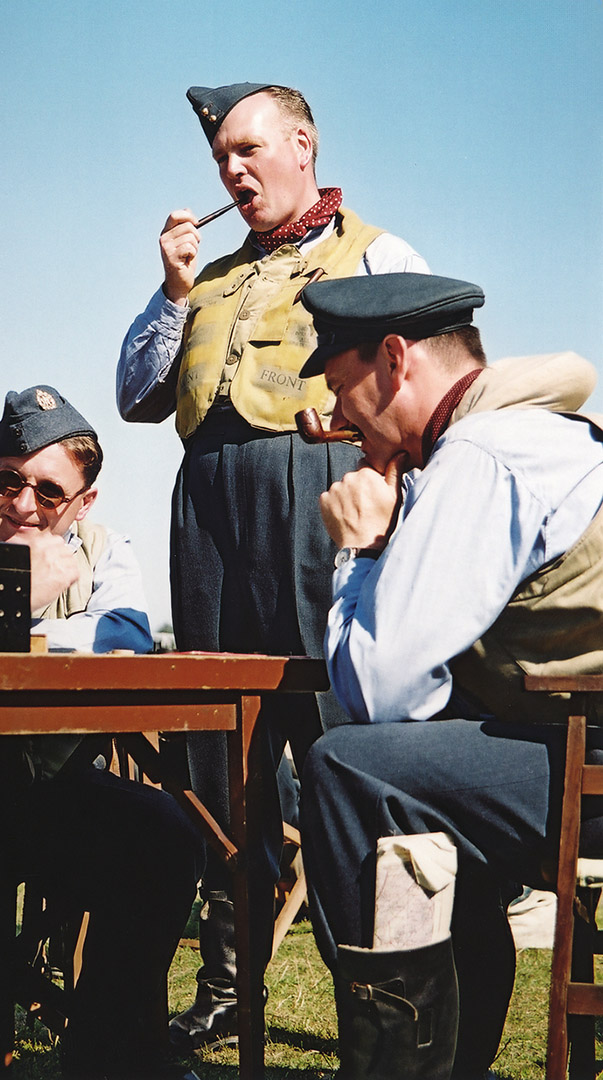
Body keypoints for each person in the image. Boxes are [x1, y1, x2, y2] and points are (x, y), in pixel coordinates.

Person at [116, 79, 430, 1052]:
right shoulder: (203, 279)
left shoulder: (379, 252)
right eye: (221, 160)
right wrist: (171, 293)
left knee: (335, 749)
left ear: (305, 144)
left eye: (249, 150)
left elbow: (434, 391)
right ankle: (226, 984)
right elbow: (134, 394)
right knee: (222, 763)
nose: (232, 170)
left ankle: (380, 1003)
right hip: (207, 519)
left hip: (318, 514)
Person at [294, 273, 603, 1079]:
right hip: (578, 748)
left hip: (593, 768)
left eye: (339, 389)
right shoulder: (531, 431)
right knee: (417, 777)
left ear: (393, 360)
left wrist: (360, 555)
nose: (336, 421)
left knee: (348, 768)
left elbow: (380, 694)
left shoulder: (485, 450)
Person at [0, 384, 205, 1080]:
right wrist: (20, 600)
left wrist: (20, 627)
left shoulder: (102, 545)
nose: (24, 504)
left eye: (48, 490)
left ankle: (111, 1057)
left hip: (41, 784)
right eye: (8, 481)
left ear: (84, 501)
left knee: (163, 838)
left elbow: (126, 632)